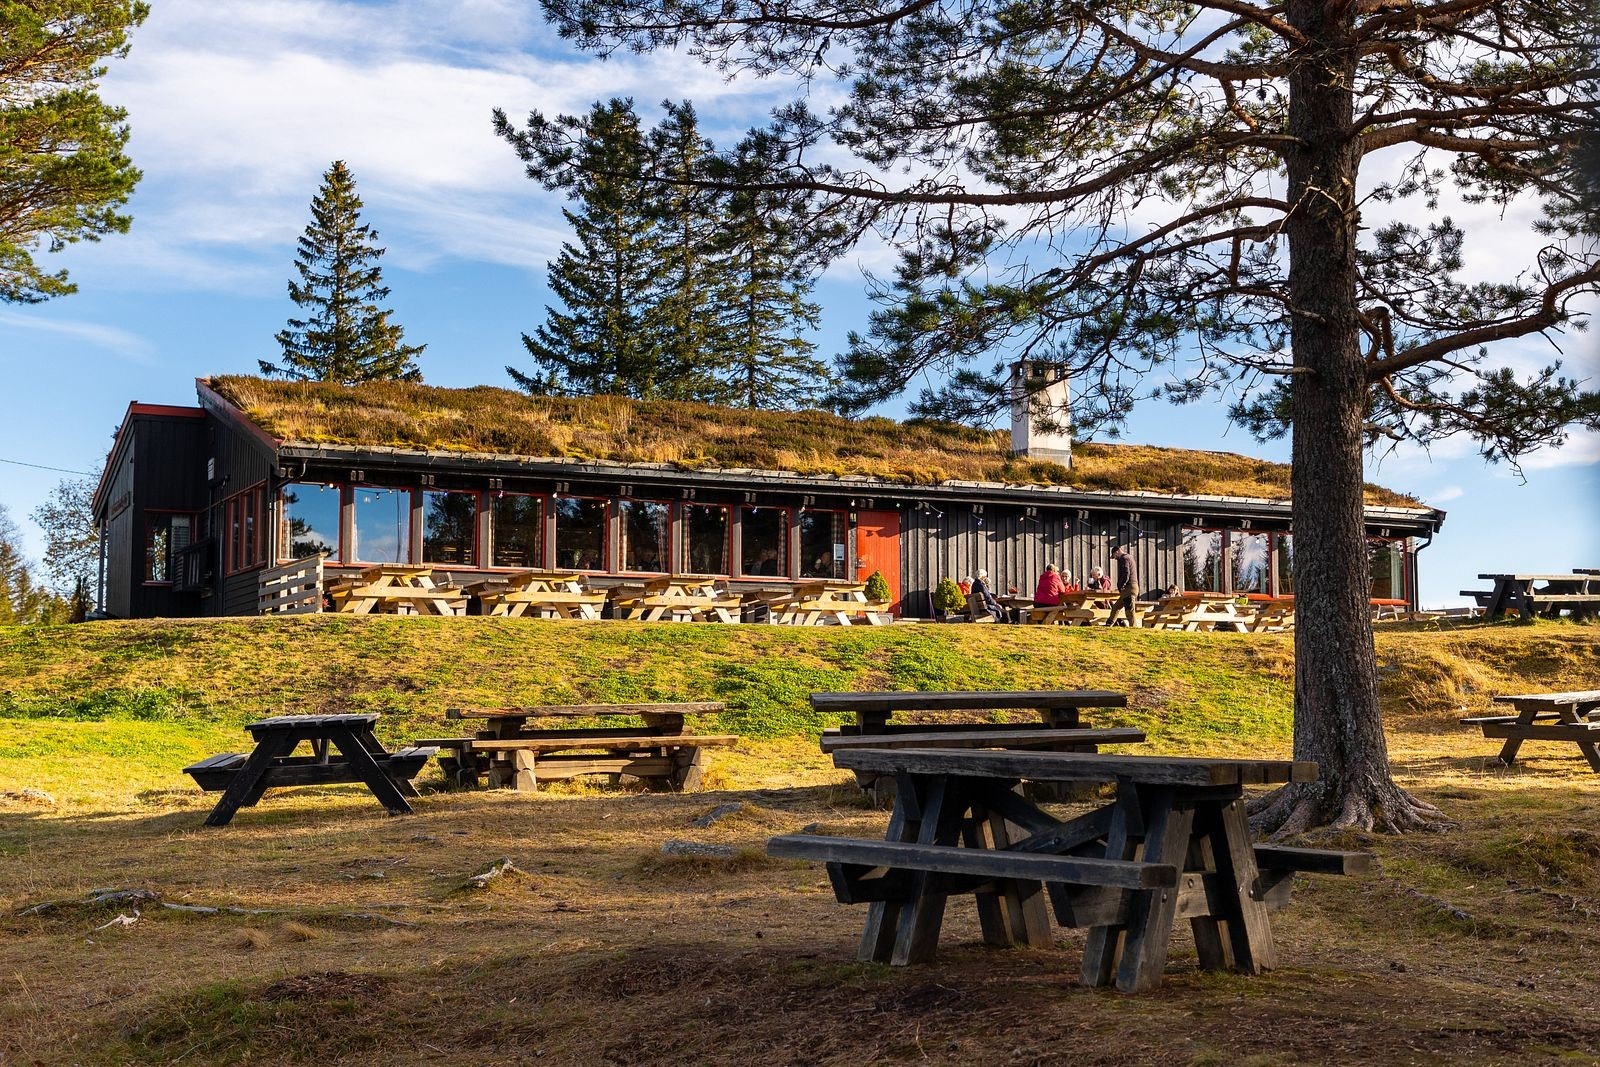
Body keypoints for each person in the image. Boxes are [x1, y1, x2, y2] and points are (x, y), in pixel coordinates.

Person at [1111, 545, 1139, 627]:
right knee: (1116, 607)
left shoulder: (1124, 558)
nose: (1115, 558)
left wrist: (1121, 585)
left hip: (1129, 587)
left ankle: (1133, 627)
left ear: (1117, 551)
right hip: (1130, 587)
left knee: (1129, 610)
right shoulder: (1130, 557)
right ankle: (1109, 624)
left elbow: (1126, 573)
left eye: (1114, 556)